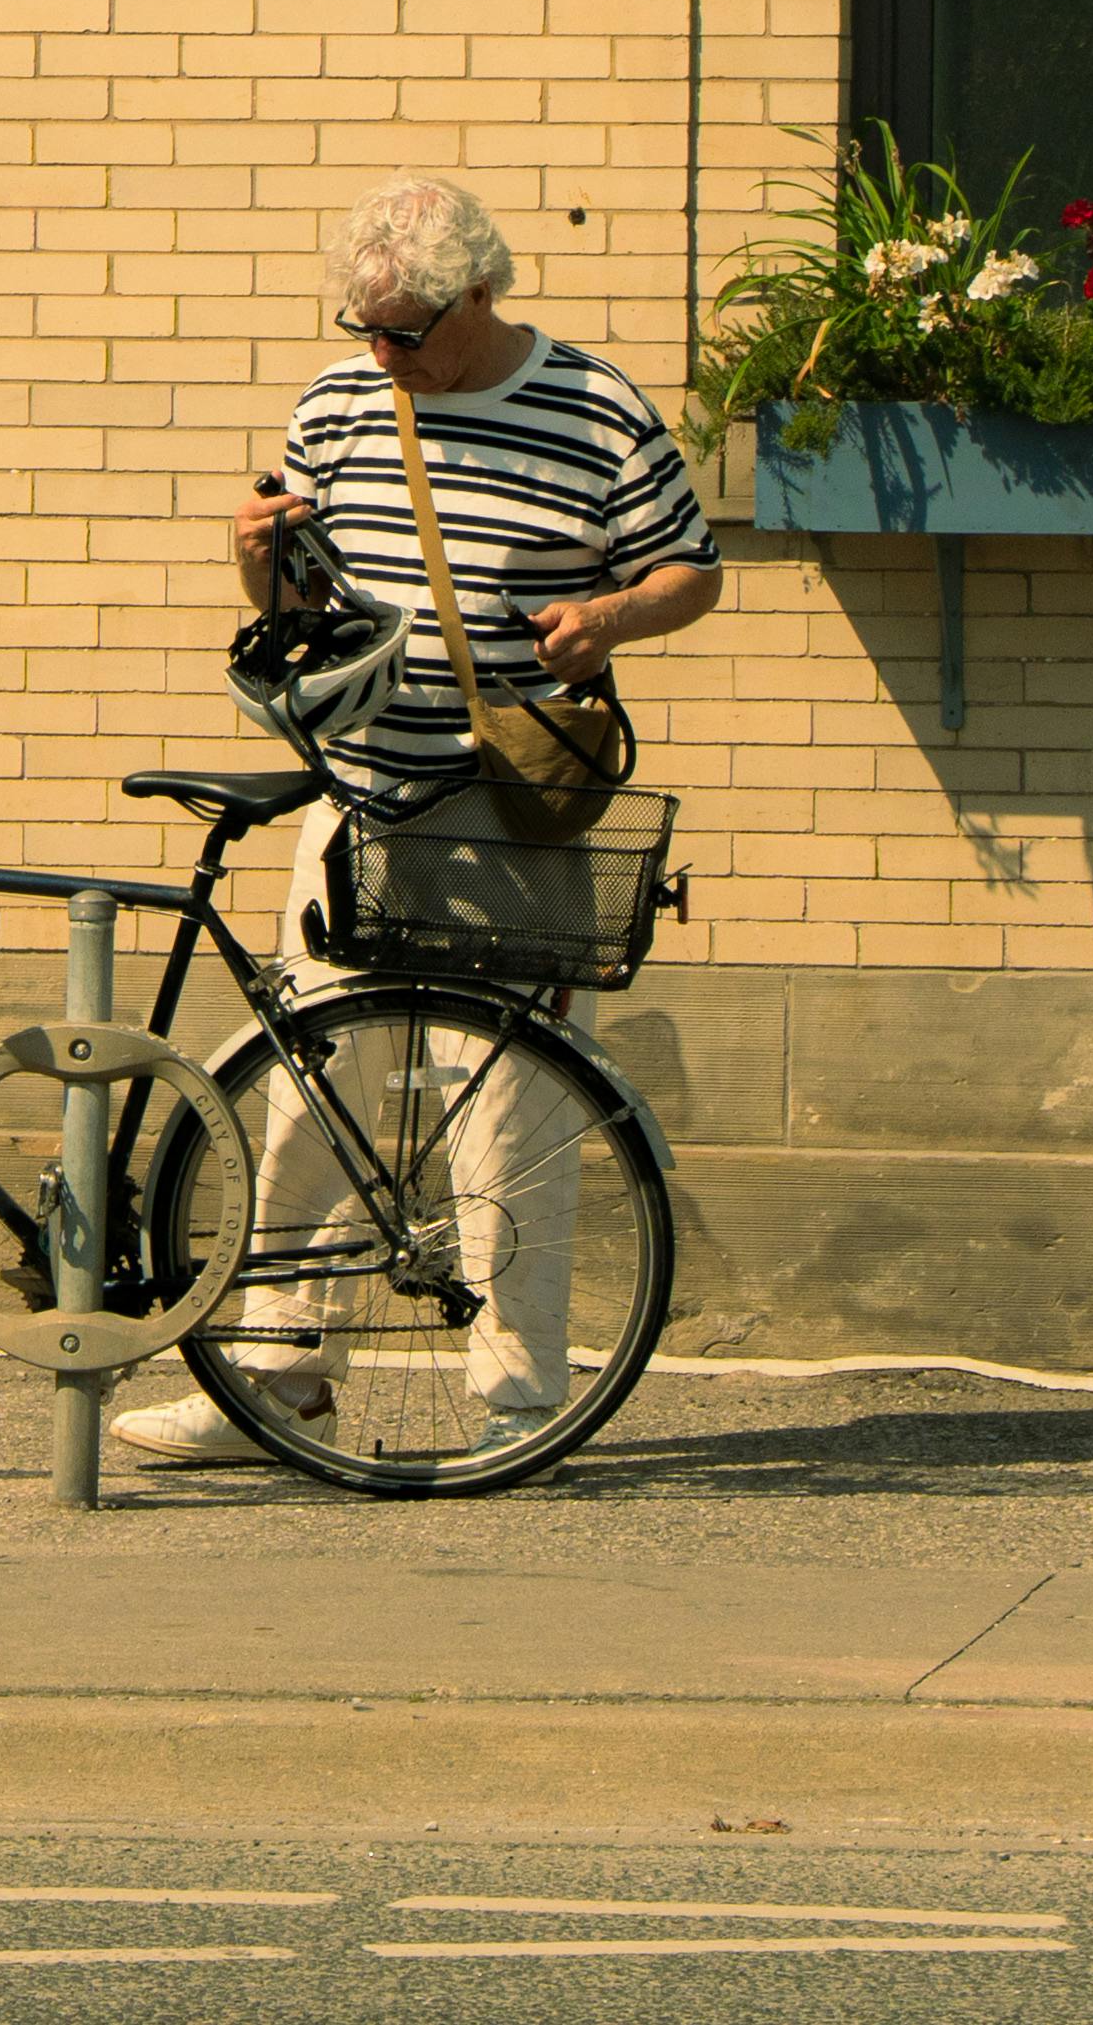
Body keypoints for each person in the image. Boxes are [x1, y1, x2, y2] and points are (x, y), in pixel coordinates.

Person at [116, 172, 721, 1462]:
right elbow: (297, 598)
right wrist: (252, 556)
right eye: (365, 327)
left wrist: (606, 619)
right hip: (363, 796)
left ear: (482, 295)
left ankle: (515, 1405)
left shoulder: (596, 405)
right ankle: (278, 1379)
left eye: (406, 328)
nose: (383, 352)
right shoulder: (338, 406)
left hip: (516, 812)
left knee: (510, 1104)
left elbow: (691, 569)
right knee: (308, 1085)